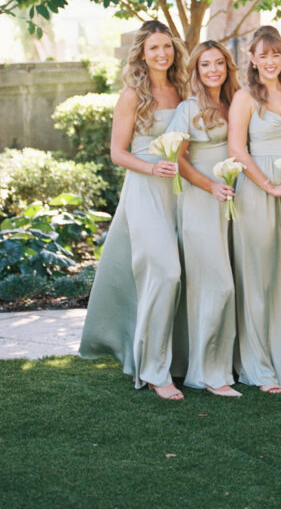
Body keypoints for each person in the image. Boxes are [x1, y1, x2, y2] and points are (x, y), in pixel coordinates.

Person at [79, 20, 189, 400]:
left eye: (168, 47)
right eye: (154, 48)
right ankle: (154, 370)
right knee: (165, 273)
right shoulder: (131, 95)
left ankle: (178, 361)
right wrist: (151, 166)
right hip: (145, 191)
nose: (162, 54)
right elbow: (117, 152)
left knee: (184, 275)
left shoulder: (183, 90)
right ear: (142, 53)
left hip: (182, 192)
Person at [228, 25, 281, 393]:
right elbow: (236, 149)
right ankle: (259, 368)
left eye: (275, 54)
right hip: (257, 192)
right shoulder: (246, 98)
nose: (269, 61)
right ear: (252, 58)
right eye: (262, 55)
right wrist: (269, 186)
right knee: (258, 280)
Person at [169, 40, 241, 397]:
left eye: (219, 64)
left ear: (228, 67)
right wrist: (211, 185)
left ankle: (223, 363)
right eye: (205, 65)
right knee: (216, 285)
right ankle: (208, 372)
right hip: (201, 200)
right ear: (196, 71)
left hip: (235, 201)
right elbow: (179, 162)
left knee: (232, 283)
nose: (213, 70)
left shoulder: (235, 103)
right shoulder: (188, 108)